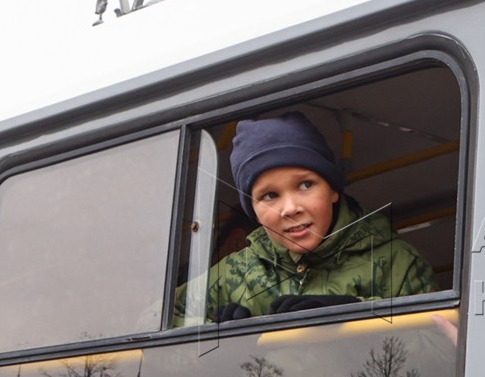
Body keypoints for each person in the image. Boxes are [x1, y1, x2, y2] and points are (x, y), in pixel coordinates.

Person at [182, 112, 435, 322]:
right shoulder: (236, 271)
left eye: (305, 185)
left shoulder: (397, 263)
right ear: (254, 212)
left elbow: (442, 349)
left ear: (333, 190)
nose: (290, 208)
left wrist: (354, 313)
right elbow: (154, 327)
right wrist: (217, 336)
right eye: (270, 195)